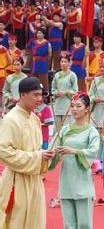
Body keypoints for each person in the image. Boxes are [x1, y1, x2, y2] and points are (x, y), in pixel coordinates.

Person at [0, 77, 55, 228]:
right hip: (16, 181)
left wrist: (45, 154)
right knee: (15, 221)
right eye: (35, 95)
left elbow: (35, 150)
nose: (39, 99)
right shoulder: (11, 119)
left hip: (34, 180)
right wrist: (38, 156)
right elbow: (4, 152)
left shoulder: (35, 119)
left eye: (41, 95)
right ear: (23, 95)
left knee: (34, 221)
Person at [49, 92, 100, 229]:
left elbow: (93, 151)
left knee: (84, 224)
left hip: (82, 180)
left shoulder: (92, 132)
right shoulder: (64, 130)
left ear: (87, 108)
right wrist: (52, 153)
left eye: (78, 106)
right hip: (66, 180)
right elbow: (53, 149)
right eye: (72, 106)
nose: (74, 109)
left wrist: (74, 151)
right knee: (68, 224)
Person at [51, 53, 78, 130]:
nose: (63, 63)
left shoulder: (72, 75)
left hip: (67, 104)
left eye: (65, 62)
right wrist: (56, 93)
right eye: (62, 61)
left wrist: (66, 92)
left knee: (66, 128)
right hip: (58, 104)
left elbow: (75, 90)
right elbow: (53, 89)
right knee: (57, 129)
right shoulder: (56, 75)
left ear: (69, 63)